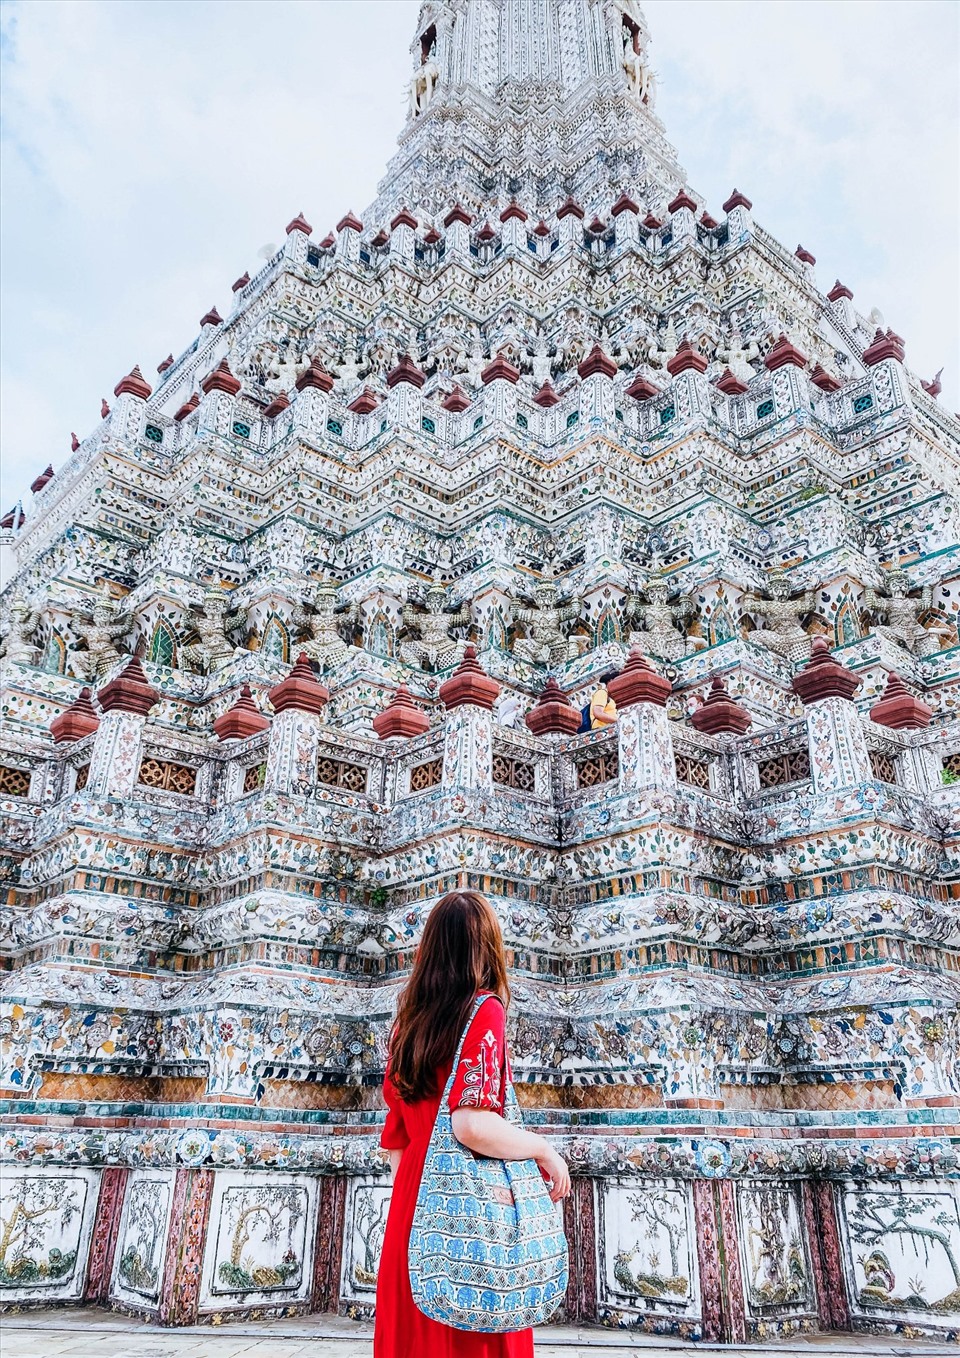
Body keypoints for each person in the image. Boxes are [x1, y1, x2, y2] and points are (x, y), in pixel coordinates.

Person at [375, 890, 571, 1357]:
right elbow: (470, 1124)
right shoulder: (484, 1011)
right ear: (486, 947)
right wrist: (542, 1149)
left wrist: (418, 1211)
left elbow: (396, 1140)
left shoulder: (408, 1023)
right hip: (468, 1222)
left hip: (414, 1214)